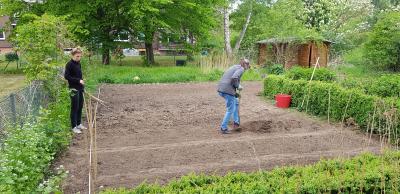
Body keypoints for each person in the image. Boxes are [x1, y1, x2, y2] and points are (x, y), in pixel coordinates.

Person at [217, 58, 250, 134]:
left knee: (236, 102)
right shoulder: (241, 69)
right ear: (245, 65)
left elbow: (229, 78)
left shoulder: (234, 67)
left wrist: (235, 93)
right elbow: (234, 78)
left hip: (221, 88)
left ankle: (236, 123)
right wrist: (238, 86)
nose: (247, 68)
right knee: (230, 109)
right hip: (227, 90)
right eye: (247, 66)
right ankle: (223, 128)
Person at [64, 47, 87, 134]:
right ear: (72, 55)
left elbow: (79, 76)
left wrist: (82, 86)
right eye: (77, 56)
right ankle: (74, 127)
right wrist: (78, 80)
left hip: (80, 88)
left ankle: (79, 123)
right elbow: (67, 76)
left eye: (80, 56)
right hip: (73, 89)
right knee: (75, 107)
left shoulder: (78, 64)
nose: (79, 58)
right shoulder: (69, 64)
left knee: (80, 106)